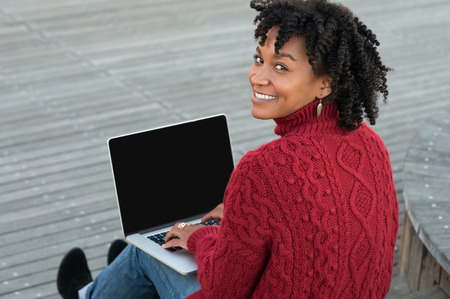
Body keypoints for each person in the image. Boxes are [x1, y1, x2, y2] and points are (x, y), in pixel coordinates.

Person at [57, 0, 399, 297]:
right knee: (160, 251)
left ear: (326, 84)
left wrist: (200, 239)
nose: (257, 76)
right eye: (258, 58)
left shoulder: (264, 168)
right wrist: (239, 219)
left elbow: (223, 290)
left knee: (149, 251)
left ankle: (87, 295)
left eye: (281, 67)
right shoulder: (371, 144)